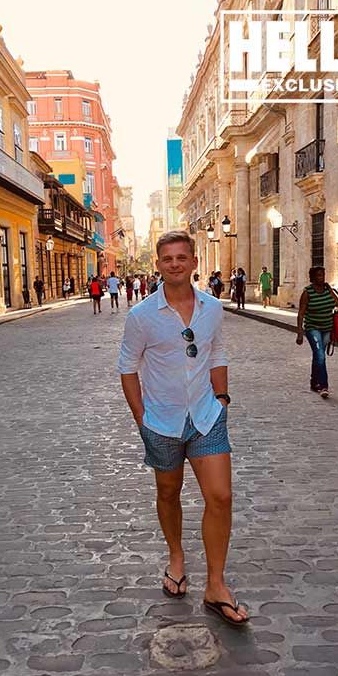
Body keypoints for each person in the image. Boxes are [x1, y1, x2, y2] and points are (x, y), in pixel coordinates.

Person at [118, 230, 249, 628]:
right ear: (158, 264)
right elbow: (127, 368)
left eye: (181, 257)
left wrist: (222, 399)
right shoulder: (141, 316)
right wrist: (143, 420)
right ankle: (176, 556)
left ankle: (215, 584)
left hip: (206, 416)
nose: (175, 264)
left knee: (220, 496)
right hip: (163, 421)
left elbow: (218, 352)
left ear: (194, 262)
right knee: (169, 492)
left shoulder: (212, 308)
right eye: (167, 258)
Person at [296, 267, 338, 398]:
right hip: (312, 328)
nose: (321, 277)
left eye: (322, 275)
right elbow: (300, 314)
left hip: (327, 328)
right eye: (318, 275)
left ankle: (314, 381)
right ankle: (324, 386)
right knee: (320, 355)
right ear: (312, 277)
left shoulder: (328, 289)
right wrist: (300, 332)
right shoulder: (307, 292)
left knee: (318, 355)